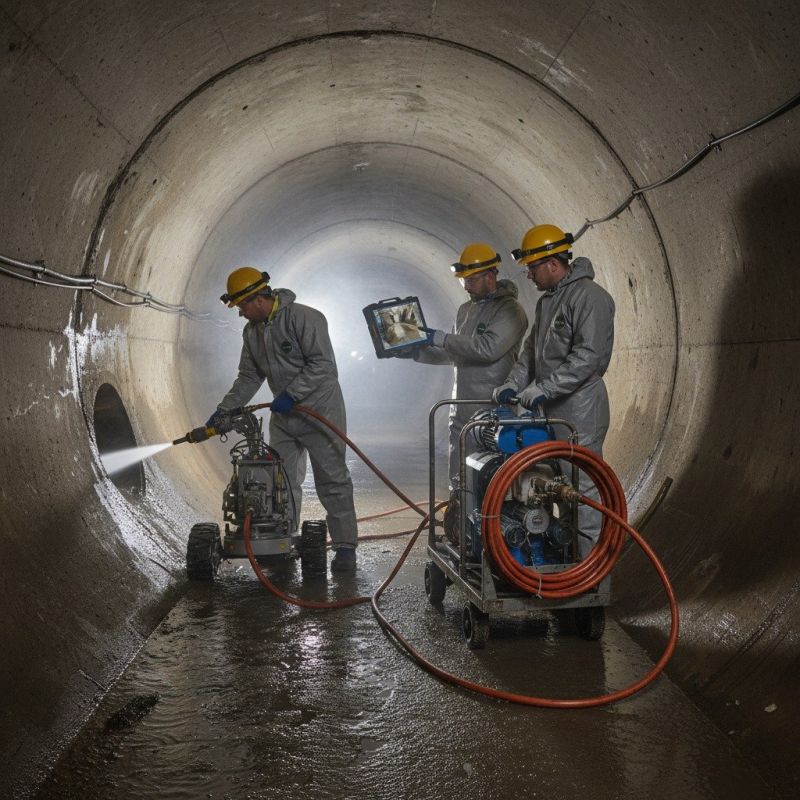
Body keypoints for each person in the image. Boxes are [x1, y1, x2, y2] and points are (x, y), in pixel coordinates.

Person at [208, 267, 358, 572]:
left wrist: (293, 393)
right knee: (281, 483)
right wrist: (226, 409)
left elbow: (323, 365)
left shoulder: (305, 318)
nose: (241, 314)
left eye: (242, 306)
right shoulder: (252, 332)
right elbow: (250, 376)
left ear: (258, 298)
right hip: (284, 417)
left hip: (319, 412)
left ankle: (344, 547)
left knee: (332, 480)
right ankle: (284, 541)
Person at [493, 224, 615, 559]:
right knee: (555, 489)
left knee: (583, 490)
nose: (529, 275)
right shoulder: (547, 304)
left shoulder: (590, 297)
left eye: (532, 267)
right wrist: (512, 384)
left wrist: (545, 387)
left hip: (580, 411)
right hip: (550, 412)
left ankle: (588, 570)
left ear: (552, 263)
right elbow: (531, 353)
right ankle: (562, 561)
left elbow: (589, 357)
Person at [412, 243, 528, 487]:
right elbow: (454, 353)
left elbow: (488, 349)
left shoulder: (510, 311)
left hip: (493, 412)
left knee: (490, 482)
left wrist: (441, 337)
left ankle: (490, 525)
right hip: (461, 410)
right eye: (463, 280)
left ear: (490, 275)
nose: (466, 286)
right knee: (460, 480)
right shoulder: (466, 310)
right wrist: (415, 352)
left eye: (472, 280)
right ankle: (460, 522)